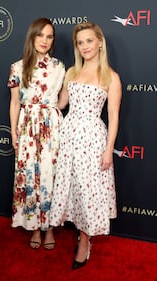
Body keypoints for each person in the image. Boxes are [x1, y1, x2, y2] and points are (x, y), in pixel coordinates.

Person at [49, 22, 122, 269]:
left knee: (89, 191)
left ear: (100, 42)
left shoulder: (111, 77)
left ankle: (85, 240)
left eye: (89, 41)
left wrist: (108, 149)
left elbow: (113, 117)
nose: (84, 47)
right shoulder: (71, 72)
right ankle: (78, 233)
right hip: (69, 137)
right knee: (73, 188)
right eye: (80, 43)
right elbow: (60, 105)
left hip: (92, 140)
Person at [7, 18, 65, 250]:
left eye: (49, 36)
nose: (44, 41)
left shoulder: (60, 67)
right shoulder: (17, 67)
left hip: (51, 126)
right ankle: (33, 226)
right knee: (29, 176)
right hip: (27, 126)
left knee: (51, 177)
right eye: (40, 35)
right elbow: (14, 104)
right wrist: (14, 132)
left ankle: (49, 227)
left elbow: (61, 103)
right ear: (32, 37)